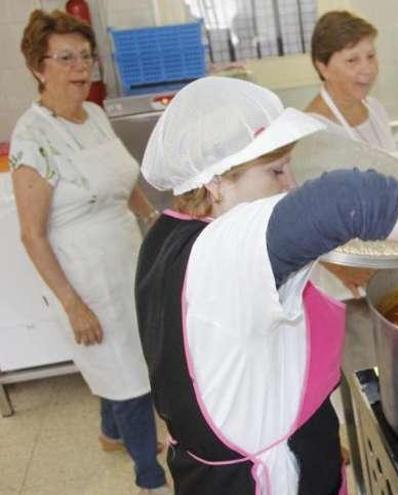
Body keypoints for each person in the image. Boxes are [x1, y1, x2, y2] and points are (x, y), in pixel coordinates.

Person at [135, 76, 398, 494]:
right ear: (215, 182)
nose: (289, 184)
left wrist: (312, 434)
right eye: (275, 170)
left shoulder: (168, 236)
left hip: (254, 452)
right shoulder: (226, 249)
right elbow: (350, 200)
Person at [9, 10, 168, 495]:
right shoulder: (32, 138)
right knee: (127, 375)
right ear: (39, 66)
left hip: (126, 258)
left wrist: (159, 227)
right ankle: (150, 477)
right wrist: (72, 304)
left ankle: (110, 432)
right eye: (65, 58)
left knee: (126, 358)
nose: (81, 68)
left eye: (85, 56)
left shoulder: (95, 114)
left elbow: (124, 184)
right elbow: (32, 235)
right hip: (84, 276)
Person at [304, 10, 398, 158]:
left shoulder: (376, 109)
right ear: (323, 67)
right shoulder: (313, 131)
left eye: (371, 56)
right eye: (352, 60)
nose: (368, 69)